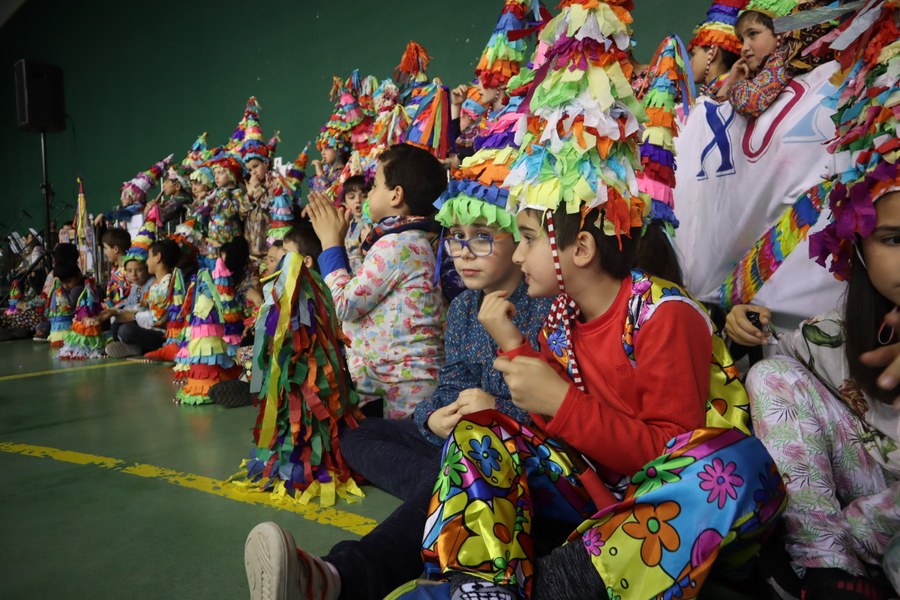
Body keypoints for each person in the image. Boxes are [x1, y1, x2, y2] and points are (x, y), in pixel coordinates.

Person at [243, 177, 552, 600]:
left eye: (482, 237)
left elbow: (553, 411)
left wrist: (494, 408)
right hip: (457, 439)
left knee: (458, 473)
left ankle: (338, 578)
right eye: (457, 237)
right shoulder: (463, 305)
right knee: (359, 434)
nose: (464, 252)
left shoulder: (545, 305)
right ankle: (442, 484)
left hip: (511, 454)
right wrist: (434, 416)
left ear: (519, 244)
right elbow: (451, 384)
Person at [742, 10, 900, 595]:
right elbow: (786, 357)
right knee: (774, 376)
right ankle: (827, 573)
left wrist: (861, 527)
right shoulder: (833, 328)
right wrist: (739, 324)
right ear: (857, 243)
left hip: (878, 519)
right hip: (859, 495)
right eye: (892, 240)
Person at [306, 143, 447, 419]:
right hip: (397, 383)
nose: (368, 194)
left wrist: (330, 244)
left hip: (403, 387)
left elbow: (343, 305)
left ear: (396, 195)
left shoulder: (396, 244)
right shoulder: (410, 240)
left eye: (374, 187)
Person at [104, 238, 179, 358]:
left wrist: (133, 317)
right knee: (116, 323)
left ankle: (136, 347)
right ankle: (130, 346)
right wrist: (117, 312)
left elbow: (159, 318)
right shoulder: (156, 283)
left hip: (161, 333)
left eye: (149, 257)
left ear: (158, 257)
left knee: (126, 330)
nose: (147, 262)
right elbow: (142, 306)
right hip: (148, 326)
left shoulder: (167, 283)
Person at [686, 0, 743, 100]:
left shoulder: (727, 91)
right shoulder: (714, 90)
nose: (689, 63)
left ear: (712, 53)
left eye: (693, 54)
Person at [340, 174, 370, 272]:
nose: (357, 201)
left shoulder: (370, 224)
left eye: (364, 196)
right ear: (344, 202)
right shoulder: (346, 224)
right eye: (352, 197)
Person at [100, 228, 131, 309]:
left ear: (115, 249)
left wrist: (112, 306)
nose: (105, 252)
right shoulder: (115, 268)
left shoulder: (128, 269)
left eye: (106, 248)